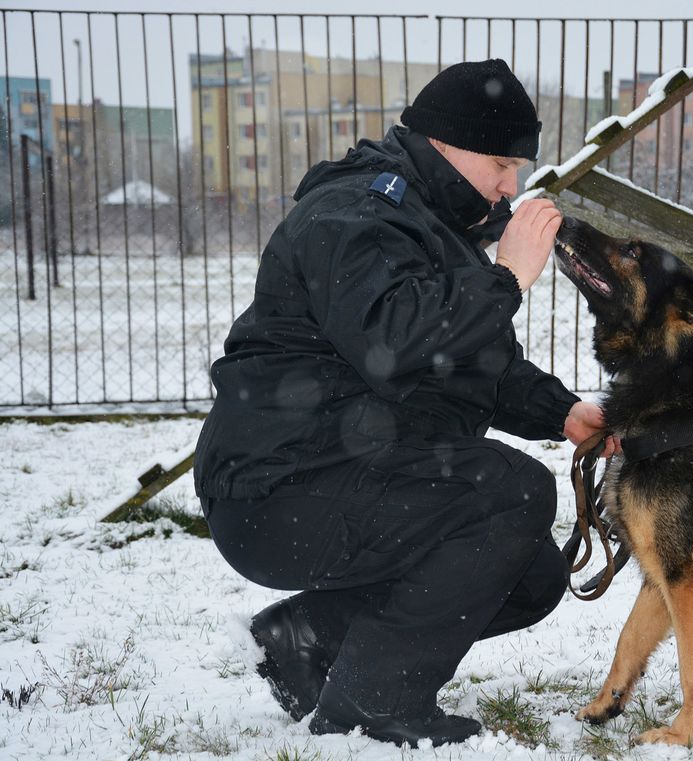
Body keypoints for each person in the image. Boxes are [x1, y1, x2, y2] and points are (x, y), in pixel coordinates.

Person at [194, 58, 611, 746]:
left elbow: (469, 364)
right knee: (510, 494)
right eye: (501, 163)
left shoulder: (429, 221)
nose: (512, 185)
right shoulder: (354, 213)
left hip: (335, 471)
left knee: (532, 572)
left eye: (520, 169)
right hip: (275, 490)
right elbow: (397, 341)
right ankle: (371, 703)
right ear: (444, 142)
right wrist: (506, 276)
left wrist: (563, 412)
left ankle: (306, 640)